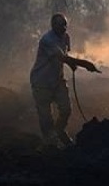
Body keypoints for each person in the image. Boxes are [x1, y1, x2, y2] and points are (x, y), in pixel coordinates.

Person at [29, 13, 99, 146]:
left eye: (65, 24)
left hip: (57, 79)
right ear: (53, 26)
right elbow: (63, 58)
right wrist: (86, 64)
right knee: (45, 115)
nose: (64, 27)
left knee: (66, 109)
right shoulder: (47, 40)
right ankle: (51, 143)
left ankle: (59, 131)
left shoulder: (66, 37)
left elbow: (65, 55)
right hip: (41, 81)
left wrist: (72, 64)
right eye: (61, 25)